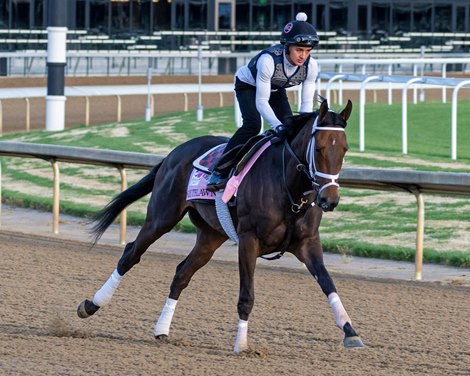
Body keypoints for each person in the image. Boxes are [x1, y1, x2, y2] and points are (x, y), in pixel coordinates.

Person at [206, 12, 320, 191]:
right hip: (247, 85)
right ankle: (219, 170)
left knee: (291, 129)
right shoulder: (268, 61)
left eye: (307, 51)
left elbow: (306, 104)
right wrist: (276, 125)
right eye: (299, 50)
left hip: (275, 88)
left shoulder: (311, 66)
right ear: (287, 47)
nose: (303, 56)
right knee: (252, 125)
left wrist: (302, 126)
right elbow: (261, 101)